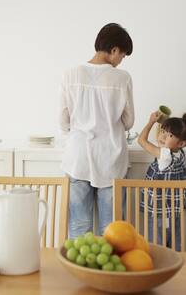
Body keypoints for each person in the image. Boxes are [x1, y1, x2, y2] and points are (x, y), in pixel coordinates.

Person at [59, 23, 134, 238]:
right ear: (113, 50)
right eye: (122, 54)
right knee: (111, 231)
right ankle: (108, 273)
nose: (121, 60)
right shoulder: (122, 79)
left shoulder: (69, 74)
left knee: (78, 228)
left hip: (78, 159)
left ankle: (80, 272)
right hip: (111, 160)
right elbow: (128, 122)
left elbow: (63, 121)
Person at [138, 112, 186, 251]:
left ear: (181, 143)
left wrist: (151, 121)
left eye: (170, 135)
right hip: (176, 211)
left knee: (156, 248)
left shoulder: (165, 155)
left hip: (160, 211)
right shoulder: (180, 154)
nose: (163, 136)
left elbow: (141, 141)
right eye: (163, 131)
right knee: (175, 246)